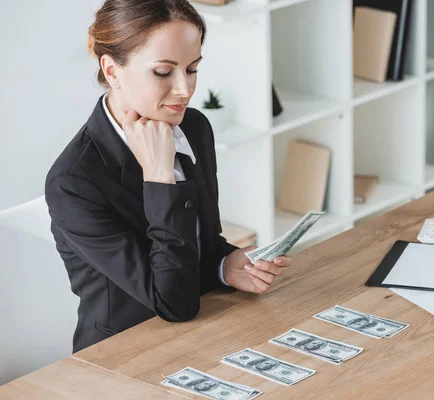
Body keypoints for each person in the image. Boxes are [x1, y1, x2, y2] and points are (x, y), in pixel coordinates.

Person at [44, 0, 292, 353]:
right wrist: (159, 177)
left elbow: (200, 240)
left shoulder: (194, 127)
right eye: (163, 72)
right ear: (112, 72)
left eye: (192, 69)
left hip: (205, 329)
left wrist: (225, 265)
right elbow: (172, 302)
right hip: (127, 354)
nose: (185, 89)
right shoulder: (73, 183)